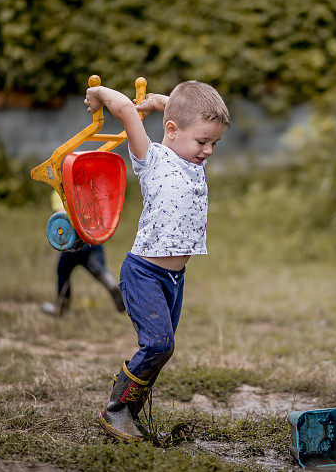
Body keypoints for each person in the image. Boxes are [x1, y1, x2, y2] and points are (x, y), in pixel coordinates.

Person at [83, 79, 230, 442]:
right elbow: (125, 110)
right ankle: (116, 412)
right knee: (159, 345)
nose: (208, 150)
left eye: (214, 143)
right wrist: (100, 94)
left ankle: (128, 414)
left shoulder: (191, 159)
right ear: (172, 131)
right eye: (203, 142)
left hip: (173, 280)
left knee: (161, 349)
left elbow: (183, 120)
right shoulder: (151, 157)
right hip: (144, 273)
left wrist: (167, 102)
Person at [41, 191, 126, 317]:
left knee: (63, 272)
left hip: (74, 240)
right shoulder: (87, 186)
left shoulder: (59, 190)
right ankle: (112, 285)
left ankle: (61, 308)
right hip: (92, 235)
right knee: (99, 269)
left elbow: (61, 215)